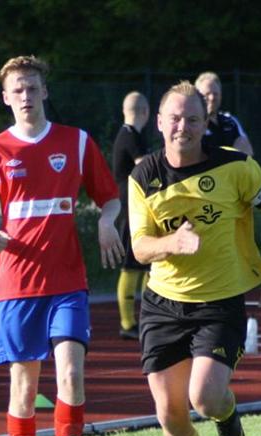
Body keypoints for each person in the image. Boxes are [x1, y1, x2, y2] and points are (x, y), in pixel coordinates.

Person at [0, 55, 123, 436]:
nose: (26, 96)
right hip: (16, 285)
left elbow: (110, 198)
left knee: (71, 374)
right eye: (18, 90)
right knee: (25, 388)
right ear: (5, 98)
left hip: (67, 282)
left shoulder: (77, 142)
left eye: (32, 87)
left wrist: (107, 221)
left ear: (45, 91)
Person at [128, 81, 261, 436]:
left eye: (192, 119)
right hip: (162, 304)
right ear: (159, 123)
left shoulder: (236, 167)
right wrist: (172, 243)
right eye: (175, 118)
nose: (182, 127)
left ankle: (227, 412)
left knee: (204, 397)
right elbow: (140, 247)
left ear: (206, 124)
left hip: (219, 303)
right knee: (170, 414)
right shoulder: (143, 177)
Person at [112, 91, 152, 340]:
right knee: (131, 264)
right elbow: (145, 166)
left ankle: (150, 317)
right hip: (129, 209)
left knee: (148, 264)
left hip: (136, 208)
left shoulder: (130, 135)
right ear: (145, 112)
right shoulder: (129, 136)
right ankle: (127, 323)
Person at [194, 71, 254, 155]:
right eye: (207, 94)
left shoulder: (230, 121)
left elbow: (247, 150)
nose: (212, 98)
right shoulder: (193, 123)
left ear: (221, 95)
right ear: (197, 96)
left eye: (215, 94)